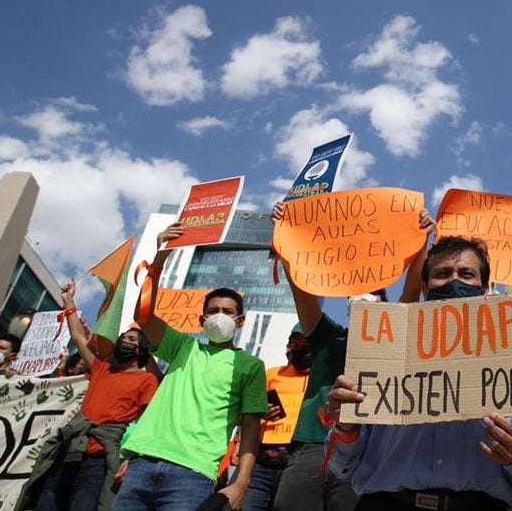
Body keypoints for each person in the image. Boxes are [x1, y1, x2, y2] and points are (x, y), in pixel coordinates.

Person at [322, 235, 512, 511]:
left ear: (485, 288)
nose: (454, 282)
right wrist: (346, 427)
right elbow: (341, 465)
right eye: (443, 274)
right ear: (425, 287)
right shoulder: (385, 351)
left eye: (467, 274)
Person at [267, 203, 431, 511]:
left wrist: (422, 237)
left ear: (386, 303)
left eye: (372, 292)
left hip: (365, 451)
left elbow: (413, 285)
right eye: (354, 292)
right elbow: (301, 290)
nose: (361, 296)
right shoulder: (327, 336)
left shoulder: (394, 335)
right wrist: (285, 236)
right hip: (311, 449)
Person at [113, 222, 268, 511]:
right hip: (141, 464)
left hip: (193, 474)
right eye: (212, 312)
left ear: (240, 321)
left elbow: (250, 428)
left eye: (227, 312)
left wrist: (241, 484)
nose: (219, 317)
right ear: (201, 321)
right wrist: (160, 257)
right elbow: (143, 315)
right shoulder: (184, 347)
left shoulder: (251, 366)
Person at [55, 281, 160, 511]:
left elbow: (145, 421)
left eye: (132, 340)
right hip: (71, 448)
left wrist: (131, 457)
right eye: (124, 337)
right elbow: (79, 337)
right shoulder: (101, 368)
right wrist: (69, 302)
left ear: (141, 351)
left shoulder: (146, 380)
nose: (124, 341)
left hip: (100, 456)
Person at [240, 328, 312, 511]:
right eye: (296, 344)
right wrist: (261, 411)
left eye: (306, 345)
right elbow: (248, 411)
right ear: (289, 346)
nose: (301, 349)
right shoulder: (272, 374)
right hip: (264, 457)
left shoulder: (321, 380)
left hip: (299, 458)